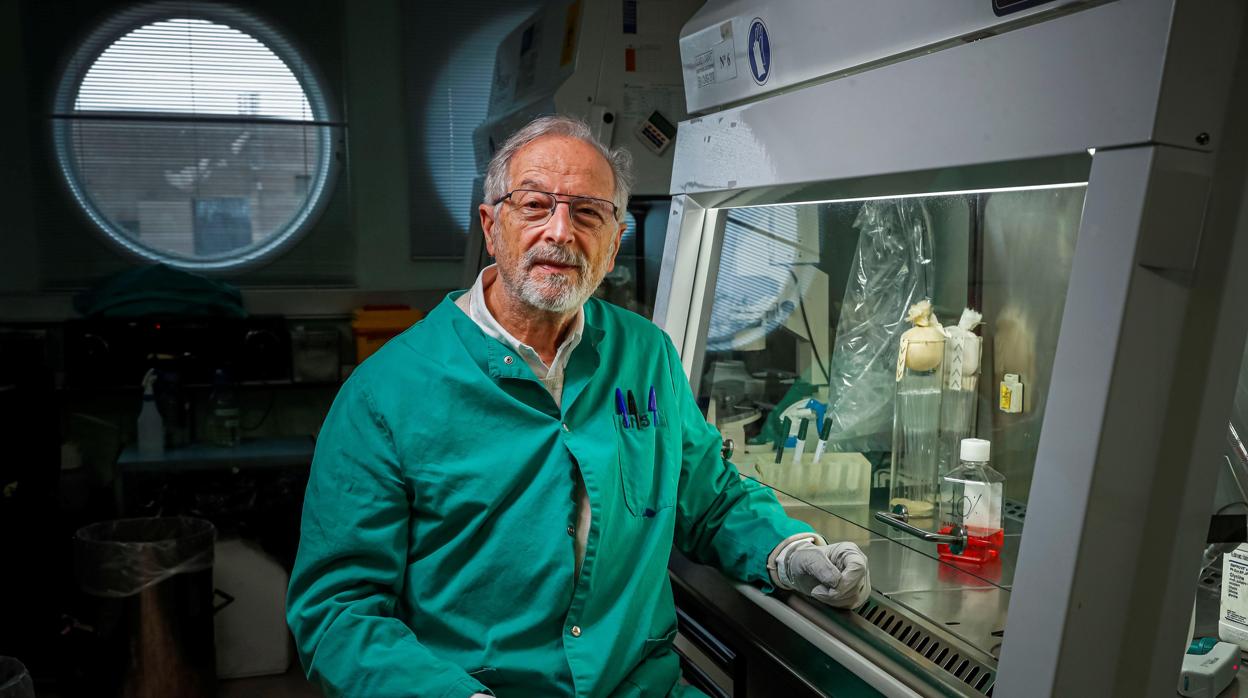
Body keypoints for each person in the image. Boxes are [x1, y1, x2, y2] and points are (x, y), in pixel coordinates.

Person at [286, 115, 870, 698]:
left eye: (588, 212)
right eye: (536, 205)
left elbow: (710, 499)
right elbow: (338, 611)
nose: (561, 232)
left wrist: (789, 553)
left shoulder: (646, 356)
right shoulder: (385, 393)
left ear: (614, 244)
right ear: (492, 227)